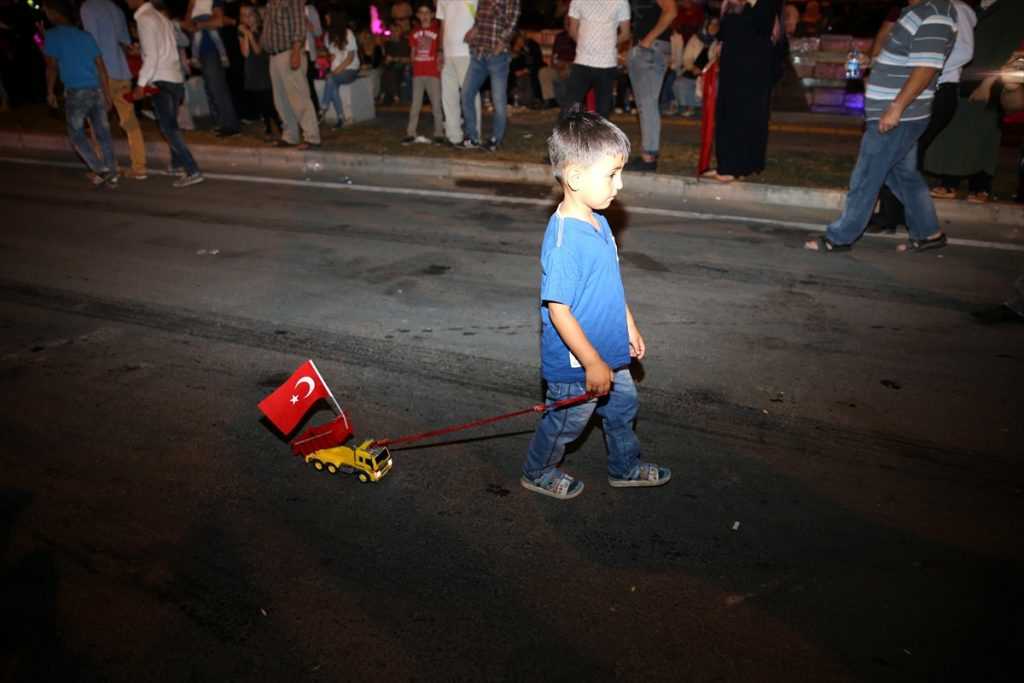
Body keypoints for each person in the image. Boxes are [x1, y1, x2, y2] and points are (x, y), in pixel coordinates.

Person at [521, 112, 671, 500]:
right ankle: (537, 470)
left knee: (623, 408)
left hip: (609, 351)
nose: (619, 185)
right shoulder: (564, 244)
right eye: (611, 174)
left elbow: (610, 286)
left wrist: (629, 326)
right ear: (575, 178)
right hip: (578, 364)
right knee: (566, 423)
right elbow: (559, 311)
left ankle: (624, 466)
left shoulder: (599, 222)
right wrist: (591, 362)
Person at [804, 0, 957, 254]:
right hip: (897, 113)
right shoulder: (916, 13)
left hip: (899, 115)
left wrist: (896, 108)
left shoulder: (935, 15)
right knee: (903, 176)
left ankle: (840, 237)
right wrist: (870, 62)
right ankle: (928, 232)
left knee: (866, 175)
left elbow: (926, 68)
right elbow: (905, 60)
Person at [870, 0, 974, 232]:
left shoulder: (952, 9)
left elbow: (962, 52)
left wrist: (917, 64)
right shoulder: (914, 10)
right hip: (909, 90)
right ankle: (906, 220)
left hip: (934, 91)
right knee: (902, 159)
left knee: (902, 157)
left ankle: (907, 220)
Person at [924, 0, 1024, 204]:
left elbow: (1010, 47)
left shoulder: (1014, 7)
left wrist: (988, 83)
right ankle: (949, 181)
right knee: (955, 128)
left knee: (984, 131)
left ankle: (981, 186)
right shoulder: (974, 5)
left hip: (994, 77)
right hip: (966, 73)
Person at [127, 0, 205, 187]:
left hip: (162, 80)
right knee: (171, 124)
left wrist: (140, 84)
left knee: (168, 128)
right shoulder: (161, 18)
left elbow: (152, 56)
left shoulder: (145, 18)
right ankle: (177, 163)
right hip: (175, 78)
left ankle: (192, 169)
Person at [701, 0, 780, 183]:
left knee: (745, 115)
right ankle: (726, 164)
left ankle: (738, 166)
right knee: (726, 114)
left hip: (752, 70)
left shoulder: (763, 5)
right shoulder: (732, 4)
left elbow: (764, 29)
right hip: (732, 67)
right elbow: (723, 32)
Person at [41, 0, 118, 187]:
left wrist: (50, 91)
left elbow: (51, 67)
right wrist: (107, 95)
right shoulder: (86, 36)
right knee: (103, 134)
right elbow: (101, 67)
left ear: (53, 13)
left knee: (76, 134)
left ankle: (100, 168)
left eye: (47, 11)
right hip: (96, 90)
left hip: (77, 93)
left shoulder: (52, 36)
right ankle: (112, 173)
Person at [80, 0, 147, 179]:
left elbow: (90, 43)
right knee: (130, 121)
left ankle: (107, 169)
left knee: (97, 123)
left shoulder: (88, 7)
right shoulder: (115, 8)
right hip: (122, 71)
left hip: (103, 73)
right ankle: (139, 167)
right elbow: (125, 42)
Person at [460, 0, 520, 151]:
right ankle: (472, 138)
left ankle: (495, 139)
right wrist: (472, 31)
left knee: (498, 100)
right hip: (478, 53)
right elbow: (479, 20)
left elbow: (512, 24)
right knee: (466, 94)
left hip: (497, 57)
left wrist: (501, 43)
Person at [626, 0, 677, 171]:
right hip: (646, 48)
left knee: (647, 103)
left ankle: (649, 157)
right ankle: (647, 154)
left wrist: (648, 40)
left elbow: (671, 11)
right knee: (644, 104)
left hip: (650, 49)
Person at [262, 0, 320, 149]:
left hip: (289, 52)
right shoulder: (270, 3)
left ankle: (311, 136)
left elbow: (299, 26)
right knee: (281, 100)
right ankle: (290, 136)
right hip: (274, 55)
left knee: (299, 97)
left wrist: (295, 52)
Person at [560, 0, 630, 120]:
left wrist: (607, 44)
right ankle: (564, 137)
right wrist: (587, 44)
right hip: (583, 61)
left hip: (606, 64)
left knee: (598, 111)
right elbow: (572, 31)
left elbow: (626, 34)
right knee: (572, 108)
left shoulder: (621, 2)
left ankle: (597, 138)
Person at [183, 0, 240, 136]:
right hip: (199, 51)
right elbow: (187, 25)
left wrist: (199, 24)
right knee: (210, 88)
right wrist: (191, 7)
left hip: (212, 50)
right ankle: (220, 123)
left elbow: (218, 21)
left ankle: (230, 125)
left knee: (217, 87)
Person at [437, 0, 480, 145]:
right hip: (448, 53)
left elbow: (485, 16)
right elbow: (442, 25)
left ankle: (473, 136)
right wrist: (440, 50)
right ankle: (453, 136)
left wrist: (477, 31)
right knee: (448, 96)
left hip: (467, 52)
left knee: (470, 95)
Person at [238, 2, 279, 141]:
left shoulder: (262, 29)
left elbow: (257, 50)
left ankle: (278, 125)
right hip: (252, 69)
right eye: (243, 16)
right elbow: (245, 53)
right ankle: (268, 126)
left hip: (264, 67)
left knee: (269, 99)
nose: (247, 18)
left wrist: (249, 33)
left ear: (255, 15)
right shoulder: (241, 32)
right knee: (261, 101)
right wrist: (245, 35)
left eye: (249, 15)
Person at [403, 2, 443, 144]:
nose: (425, 15)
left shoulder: (438, 31)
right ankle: (410, 132)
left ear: (432, 15)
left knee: (436, 105)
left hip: (433, 73)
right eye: (422, 12)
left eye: (427, 12)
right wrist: (412, 63)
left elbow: (441, 51)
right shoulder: (414, 32)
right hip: (418, 73)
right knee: (415, 105)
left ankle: (439, 133)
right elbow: (412, 52)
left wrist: (440, 63)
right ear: (418, 15)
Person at [319, 9, 359, 127]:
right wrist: (329, 59)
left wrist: (336, 71)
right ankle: (341, 118)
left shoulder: (348, 33)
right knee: (332, 84)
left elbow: (350, 58)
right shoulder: (328, 35)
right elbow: (331, 54)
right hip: (336, 71)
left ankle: (323, 107)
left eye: (328, 18)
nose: (326, 21)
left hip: (350, 69)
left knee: (331, 79)